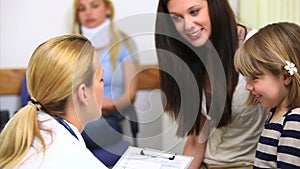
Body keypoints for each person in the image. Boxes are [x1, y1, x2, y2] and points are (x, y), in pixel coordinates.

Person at [155, 0, 268, 168]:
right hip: (209, 163)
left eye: (194, 12)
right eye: (177, 18)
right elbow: (197, 139)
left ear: (216, 6)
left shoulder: (256, 48)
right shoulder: (190, 56)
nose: (187, 25)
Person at [0, 35, 107, 168]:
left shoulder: (19, 126)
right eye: (101, 79)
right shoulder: (79, 161)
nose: (103, 86)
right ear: (84, 93)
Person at [72, 0, 138, 166]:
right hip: (76, 114)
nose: (88, 12)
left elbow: (130, 94)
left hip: (107, 116)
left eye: (94, 6)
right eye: (82, 9)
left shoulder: (125, 44)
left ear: (108, 9)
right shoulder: (71, 47)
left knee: (78, 131)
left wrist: (112, 104)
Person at [234, 22, 300, 169]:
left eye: (254, 77)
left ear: (285, 77)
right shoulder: (275, 114)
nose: (248, 86)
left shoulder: (294, 123)